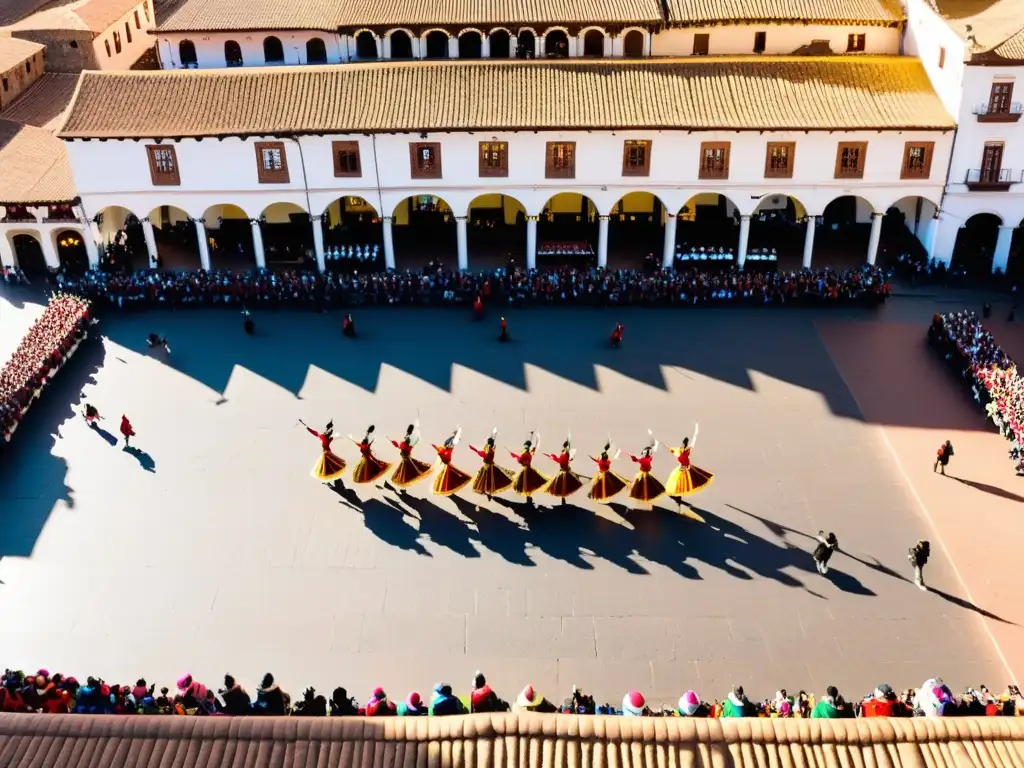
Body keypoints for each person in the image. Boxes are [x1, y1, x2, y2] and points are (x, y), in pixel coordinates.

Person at [664, 424, 714, 509]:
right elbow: (674, 452)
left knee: (682, 482)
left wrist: (696, 428)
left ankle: (678, 496)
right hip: (683, 466)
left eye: (684, 444)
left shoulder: (687, 449)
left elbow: (694, 438)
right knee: (677, 480)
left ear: (685, 444)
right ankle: (677, 495)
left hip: (686, 467)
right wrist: (667, 447)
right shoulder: (681, 449)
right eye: (683, 444)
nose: (683, 445)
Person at [469, 428, 516, 506]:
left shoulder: (489, 451)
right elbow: (486, 450)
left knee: (487, 479)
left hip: (488, 466)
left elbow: (485, 455)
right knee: (487, 479)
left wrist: (477, 451)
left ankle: (487, 491)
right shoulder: (491, 448)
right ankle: (486, 491)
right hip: (490, 465)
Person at [389, 422, 433, 488]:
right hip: (406, 456)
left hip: (405, 456)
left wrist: (397, 445)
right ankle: (405, 485)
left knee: (405, 470)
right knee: (407, 469)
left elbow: (403, 447)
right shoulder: (409, 437)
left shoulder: (407, 437)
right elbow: (406, 446)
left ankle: (404, 486)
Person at [432, 427, 473, 497]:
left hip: (446, 461)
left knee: (446, 475)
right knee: (448, 475)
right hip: (447, 461)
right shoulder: (447, 450)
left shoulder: (444, 449)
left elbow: (440, 449)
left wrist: (434, 446)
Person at [511, 431, 549, 506]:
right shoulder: (529, 453)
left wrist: (518, 458)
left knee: (523, 481)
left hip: (525, 469)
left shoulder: (525, 454)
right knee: (530, 481)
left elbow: (520, 460)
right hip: (529, 468)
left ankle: (526, 493)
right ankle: (528, 493)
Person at [303, 419, 347, 484]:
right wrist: (307, 427)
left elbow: (316, 433)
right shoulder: (324, 437)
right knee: (328, 466)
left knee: (329, 466)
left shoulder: (325, 437)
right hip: (327, 453)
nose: (326, 432)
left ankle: (333, 479)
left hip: (327, 453)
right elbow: (315, 433)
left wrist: (307, 427)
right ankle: (331, 478)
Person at [544, 435, 583, 505]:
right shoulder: (566, 454)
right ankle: (563, 498)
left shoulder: (562, 453)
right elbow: (565, 463)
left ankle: (563, 498)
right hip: (565, 471)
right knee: (567, 485)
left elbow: (562, 461)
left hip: (561, 471)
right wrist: (568, 465)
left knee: (560, 485)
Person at [628, 431, 666, 505]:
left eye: (644, 453)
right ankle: (645, 497)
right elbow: (651, 449)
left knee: (640, 486)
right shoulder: (650, 457)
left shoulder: (643, 459)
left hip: (643, 474)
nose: (643, 453)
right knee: (647, 486)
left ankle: (642, 497)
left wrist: (631, 455)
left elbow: (636, 460)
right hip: (647, 473)